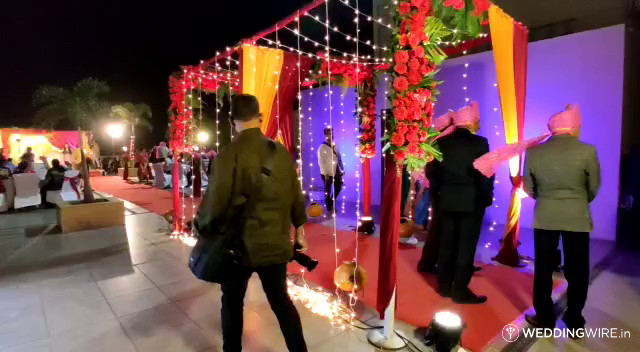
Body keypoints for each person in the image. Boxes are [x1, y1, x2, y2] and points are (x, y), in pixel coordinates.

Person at [196, 94, 308, 352]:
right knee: (282, 303)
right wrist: (300, 229)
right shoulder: (280, 153)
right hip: (276, 244)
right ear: (260, 117)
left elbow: (214, 204)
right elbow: (295, 194)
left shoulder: (227, 156)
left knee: (233, 302)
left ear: (231, 121)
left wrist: (200, 227)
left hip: (238, 247)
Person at [521, 105, 600, 332]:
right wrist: (579, 200)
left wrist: (544, 197)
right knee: (578, 268)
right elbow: (593, 187)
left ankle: (545, 317)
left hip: (545, 214)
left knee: (544, 268)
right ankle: (574, 318)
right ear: (573, 127)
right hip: (577, 216)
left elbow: (528, 187)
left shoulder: (534, 152)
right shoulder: (587, 151)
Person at [429, 102, 494, 304]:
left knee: (447, 243)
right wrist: (486, 198)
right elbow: (485, 174)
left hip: (447, 199)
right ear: (472, 122)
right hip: (471, 202)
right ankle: (460, 290)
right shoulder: (480, 143)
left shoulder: (441, 143)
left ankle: (444, 286)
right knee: (465, 246)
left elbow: (432, 172)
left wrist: (440, 192)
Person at [317, 127, 344, 214]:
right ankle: (329, 207)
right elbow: (321, 162)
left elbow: (338, 157)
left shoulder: (334, 145)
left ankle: (332, 201)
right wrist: (325, 174)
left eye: (332, 133)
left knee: (338, 187)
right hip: (327, 172)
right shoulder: (322, 147)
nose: (331, 135)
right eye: (329, 133)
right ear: (325, 135)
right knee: (328, 190)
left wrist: (342, 168)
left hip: (336, 170)